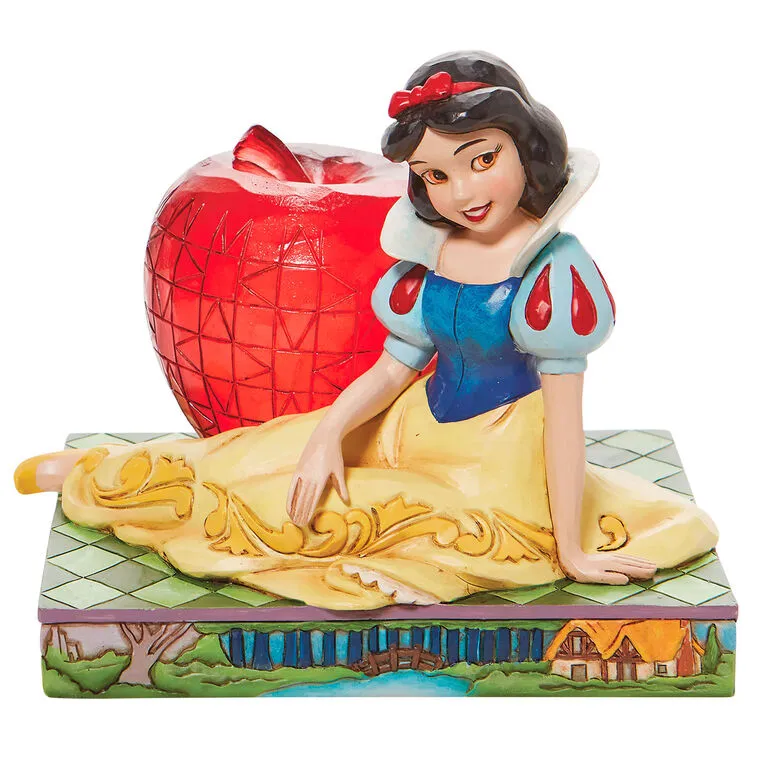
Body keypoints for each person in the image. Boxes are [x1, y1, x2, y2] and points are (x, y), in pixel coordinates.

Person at [14, 51, 717, 610]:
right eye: (435, 175)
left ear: (526, 150)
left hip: (495, 468)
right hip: (411, 422)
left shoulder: (553, 272)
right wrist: (326, 434)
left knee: (300, 513)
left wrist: (571, 549)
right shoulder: (430, 255)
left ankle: (125, 499)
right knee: (267, 449)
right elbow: (392, 367)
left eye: (481, 160)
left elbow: (564, 420)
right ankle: (103, 470)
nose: (463, 193)